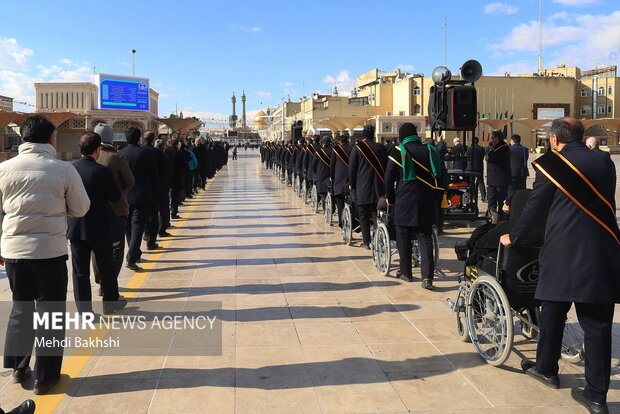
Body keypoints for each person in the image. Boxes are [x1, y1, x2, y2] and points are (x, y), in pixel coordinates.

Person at [501, 118, 620, 414]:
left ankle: (547, 369)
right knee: (597, 325)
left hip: (562, 250)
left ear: (555, 140)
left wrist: (513, 236)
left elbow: (535, 208)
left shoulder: (551, 165)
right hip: (602, 249)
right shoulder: (605, 162)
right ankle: (595, 395)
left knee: (552, 308)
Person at [1, 115, 90, 395]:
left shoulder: (4, 169)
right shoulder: (63, 170)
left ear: (23, 138)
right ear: (51, 139)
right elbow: (81, 208)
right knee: (49, 314)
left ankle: (18, 366)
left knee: (20, 309)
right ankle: (45, 377)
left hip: (14, 252)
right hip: (49, 254)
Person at [68, 132, 126, 314]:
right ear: (97, 150)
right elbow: (115, 196)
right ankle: (110, 304)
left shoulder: (70, 169)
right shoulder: (102, 171)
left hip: (76, 227)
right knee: (106, 266)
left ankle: (85, 312)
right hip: (100, 226)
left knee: (80, 272)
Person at [385, 123, 443, 289]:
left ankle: (406, 273)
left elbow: (389, 179)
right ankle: (427, 278)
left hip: (404, 202)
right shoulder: (431, 150)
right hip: (426, 201)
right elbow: (440, 178)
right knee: (425, 237)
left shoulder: (398, 151)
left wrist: (390, 199)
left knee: (403, 237)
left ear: (402, 135)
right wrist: (437, 200)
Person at [91, 123, 134, 295]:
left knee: (97, 247)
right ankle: (109, 283)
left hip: (93, 211)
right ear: (111, 137)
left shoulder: (88, 157)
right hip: (115, 210)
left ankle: (100, 279)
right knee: (116, 248)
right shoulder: (116, 158)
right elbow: (130, 182)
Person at [119, 127, 157, 271]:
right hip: (142, 196)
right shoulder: (145, 154)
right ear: (139, 139)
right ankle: (132, 257)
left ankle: (134, 252)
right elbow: (153, 175)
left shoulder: (120, 154)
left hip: (125, 196)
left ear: (126, 138)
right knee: (138, 226)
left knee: (128, 226)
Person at [348, 125, 387, 249]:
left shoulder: (357, 148)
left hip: (363, 188)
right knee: (377, 215)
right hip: (379, 187)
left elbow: (352, 169)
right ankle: (378, 238)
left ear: (363, 135)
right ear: (374, 133)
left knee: (363, 216)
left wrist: (351, 184)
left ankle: (366, 242)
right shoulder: (381, 148)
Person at [142, 131, 164, 250]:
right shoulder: (157, 153)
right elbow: (162, 171)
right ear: (152, 140)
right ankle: (151, 242)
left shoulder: (139, 151)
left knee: (142, 216)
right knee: (153, 216)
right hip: (154, 189)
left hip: (138, 190)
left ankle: (145, 233)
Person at [485, 130, 511, 220]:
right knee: (491, 201)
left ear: (497, 139)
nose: (491, 139)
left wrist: (490, 153)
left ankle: (501, 218)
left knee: (501, 201)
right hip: (493, 180)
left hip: (500, 180)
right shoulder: (495, 147)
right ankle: (491, 217)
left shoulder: (503, 148)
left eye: (492, 137)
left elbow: (491, 158)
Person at [330, 133, 352, 227]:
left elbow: (332, 165)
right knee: (351, 202)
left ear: (340, 141)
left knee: (339, 203)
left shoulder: (336, 150)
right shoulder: (353, 148)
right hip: (350, 178)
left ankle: (341, 222)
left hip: (339, 179)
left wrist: (332, 177)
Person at [155, 139, 172, 237]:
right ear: (164, 148)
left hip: (153, 187)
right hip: (163, 187)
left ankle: (149, 232)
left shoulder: (149, 157)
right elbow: (169, 173)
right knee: (163, 209)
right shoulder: (166, 158)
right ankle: (162, 230)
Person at [509, 134, 529, 201]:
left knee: (511, 191)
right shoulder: (525, 149)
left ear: (512, 140)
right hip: (523, 172)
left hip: (512, 173)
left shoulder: (509, 149)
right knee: (522, 191)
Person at [466, 136, 486, 202]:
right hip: (479, 167)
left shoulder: (470, 148)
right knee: (481, 182)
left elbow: (467, 155)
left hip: (471, 168)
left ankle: (472, 195)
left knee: (471, 182)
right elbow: (483, 156)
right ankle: (483, 195)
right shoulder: (482, 148)